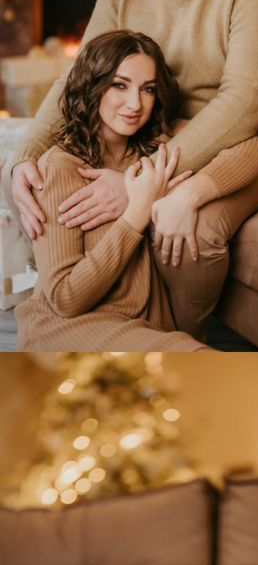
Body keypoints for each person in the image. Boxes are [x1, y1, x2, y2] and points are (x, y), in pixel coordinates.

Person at [5, 0, 258, 338]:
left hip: (234, 148)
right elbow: (79, 77)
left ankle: (178, 335)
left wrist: (136, 180)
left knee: (190, 232)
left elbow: (244, 104)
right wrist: (26, 155)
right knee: (29, 181)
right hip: (150, 136)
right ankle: (74, 310)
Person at [15, 30, 222, 350]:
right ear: (93, 86)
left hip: (146, 326)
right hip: (67, 328)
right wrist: (136, 213)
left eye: (148, 89)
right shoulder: (60, 168)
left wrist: (190, 191)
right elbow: (65, 298)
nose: (135, 103)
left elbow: (256, 148)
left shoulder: (157, 149)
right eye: (119, 85)